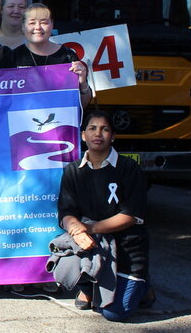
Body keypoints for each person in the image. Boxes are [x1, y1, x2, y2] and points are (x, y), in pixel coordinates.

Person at [55, 111, 151, 320]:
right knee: (66, 248)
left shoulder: (128, 168)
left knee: (113, 313)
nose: (98, 133)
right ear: (83, 135)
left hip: (127, 249)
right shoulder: (73, 170)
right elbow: (66, 212)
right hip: (93, 245)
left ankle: (143, 285)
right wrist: (75, 229)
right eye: (92, 128)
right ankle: (89, 288)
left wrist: (89, 228)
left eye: (105, 129)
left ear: (113, 136)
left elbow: (131, 215)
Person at [1, 3, 92, 106]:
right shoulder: (12, 57)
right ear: (23, 27)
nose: (38, 27)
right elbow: (1, 101)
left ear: (52, 25)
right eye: (32, 23)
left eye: (43, 22)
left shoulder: (68, 56)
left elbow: (83, 104)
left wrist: (83, 82)